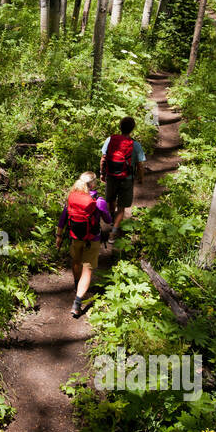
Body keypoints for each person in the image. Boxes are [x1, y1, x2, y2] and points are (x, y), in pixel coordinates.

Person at [55, 172, 113, 318]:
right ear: (93, 184)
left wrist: (59, 235)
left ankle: (77, 284)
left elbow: (64, 217)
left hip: (75, 237)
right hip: (92, 239)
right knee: (87, 269)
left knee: (76, 261)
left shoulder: (73, 197)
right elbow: (107, 220)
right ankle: (77, 303)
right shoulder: (98, 201)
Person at [100, 116, 145, 246]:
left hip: (111, 176)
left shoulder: (110, 140)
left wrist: (102, 173)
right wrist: (141, 178)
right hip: (127, 179)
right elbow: (140, 165)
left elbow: (103, 158)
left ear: (120, 127)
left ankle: (111, 220)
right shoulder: (135, 145)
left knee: (111, 200)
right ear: (132, 129)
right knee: (121, 207)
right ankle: (113, 232)